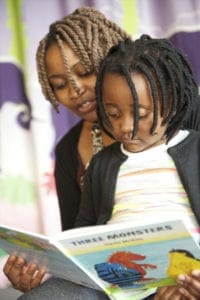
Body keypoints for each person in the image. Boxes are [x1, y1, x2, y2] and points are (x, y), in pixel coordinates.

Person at [3, 6, 200, 298]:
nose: (75, 90)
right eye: (59, 85)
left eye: (86, 72)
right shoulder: (77, 155)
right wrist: (38, 270)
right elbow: (78, 239)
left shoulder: (186, 128)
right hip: (114, 280)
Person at [74, 35, 200, 299]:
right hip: (114, 283)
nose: (124, 128)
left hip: (187, 275)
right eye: (113, 114)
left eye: (140, 114)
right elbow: (83, 232)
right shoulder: (101, 164)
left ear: (172, 102)